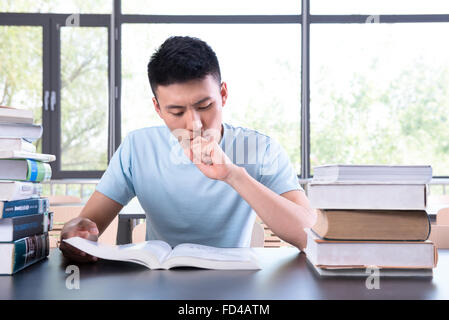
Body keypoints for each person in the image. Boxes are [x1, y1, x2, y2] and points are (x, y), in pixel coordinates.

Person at [60, 36, 316, 263]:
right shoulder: (137, 147)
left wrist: (233, 175)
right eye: (176, 112)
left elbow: (308, 235)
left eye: (204, 106)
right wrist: (73, 234)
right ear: (158, 108)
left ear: (223, 94)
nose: (193, 124)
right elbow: (84, 228)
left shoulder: (261, 149)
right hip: (158, 285)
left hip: (233, 286)